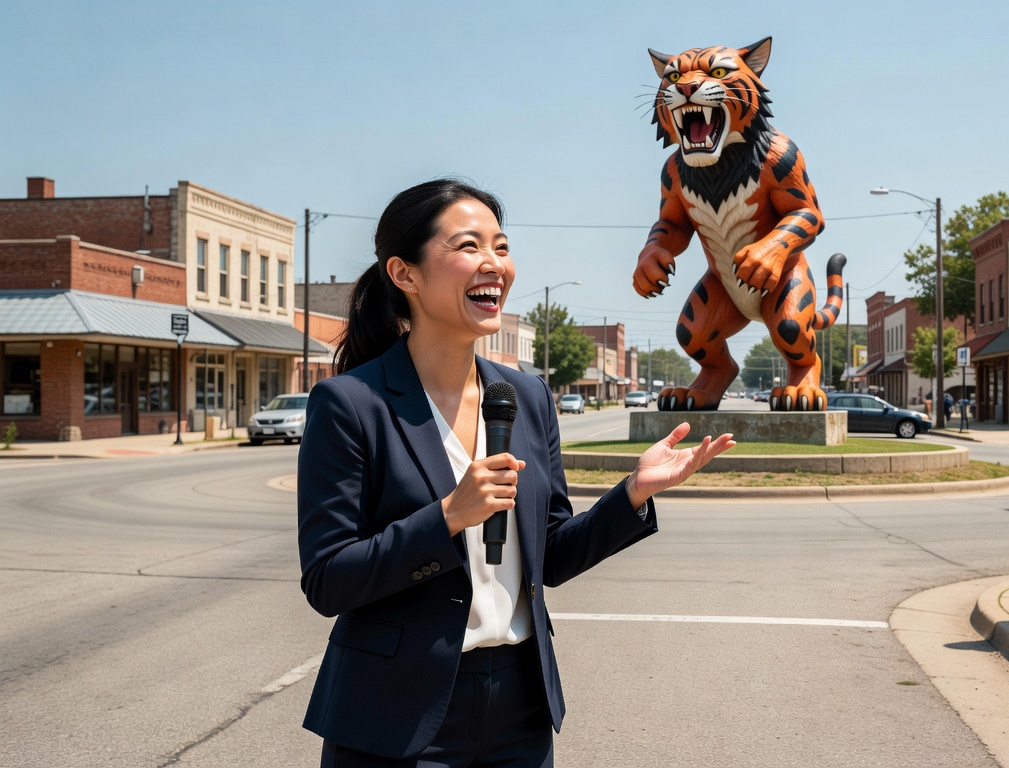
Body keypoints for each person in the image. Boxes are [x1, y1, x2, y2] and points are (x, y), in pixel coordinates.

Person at [296, 180, 735, 766]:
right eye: (469, 246)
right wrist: (450, 516)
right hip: (395, 713)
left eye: (501, 248)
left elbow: (551, 555)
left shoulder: (526, 396)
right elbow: (328, 580)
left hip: (519, 711)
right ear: (405, 274)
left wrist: (632, 492)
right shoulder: (351, 405)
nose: (494, 264)